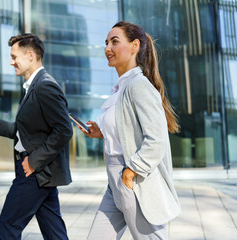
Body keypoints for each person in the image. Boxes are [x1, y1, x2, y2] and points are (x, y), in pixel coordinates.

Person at [79, 21, 181, 239]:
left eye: (115, 42)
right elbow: (126, 130)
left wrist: (130, 173)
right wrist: (102, 132)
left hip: (132, 179)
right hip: (113, 182)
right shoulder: (121, 88)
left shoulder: (139, 86)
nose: (107, 48)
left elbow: (157, 140)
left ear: (135, 45)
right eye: (106, 43)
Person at [0, 33, 73, 240]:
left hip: (35, 173)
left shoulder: (44, 86)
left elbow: (64, 130)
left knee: (7, 228)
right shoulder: (32, 87)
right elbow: (24, 132)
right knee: (54, 232)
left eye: (14, 57)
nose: (11, 62)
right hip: (39, 174)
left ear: (30, 55)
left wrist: (33, 162)